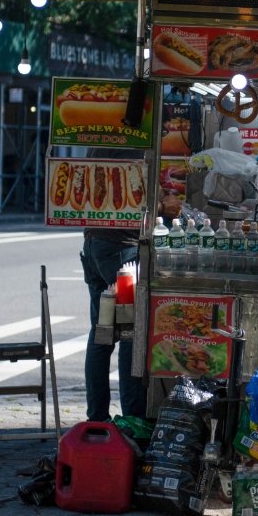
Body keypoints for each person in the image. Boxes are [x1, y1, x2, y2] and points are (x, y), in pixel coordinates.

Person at [80, 148, 147, 423]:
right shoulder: (138, 139)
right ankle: (133, 415)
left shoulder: (97, 140)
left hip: (94, 243)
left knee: (102, 334)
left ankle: (97, 416)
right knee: (130, 334)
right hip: (122, 250)